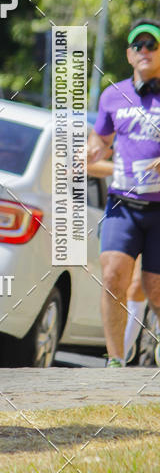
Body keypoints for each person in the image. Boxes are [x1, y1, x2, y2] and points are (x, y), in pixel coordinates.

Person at [87, 18, 160, 367]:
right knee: (114, 275)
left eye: (152, 44)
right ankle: (115, 363)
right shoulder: (112, 95)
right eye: (138, 45)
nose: (144, 50)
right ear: (129, 54)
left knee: (153, 286)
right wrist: (94, 149)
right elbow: (100, 139)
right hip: (122, 205)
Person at [88, 158, 145, 362]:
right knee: (118, 280)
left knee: (141, 285)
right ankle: (116, 361)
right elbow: (89, 162)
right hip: (127, 211)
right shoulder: (125, 131)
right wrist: (129, 169)